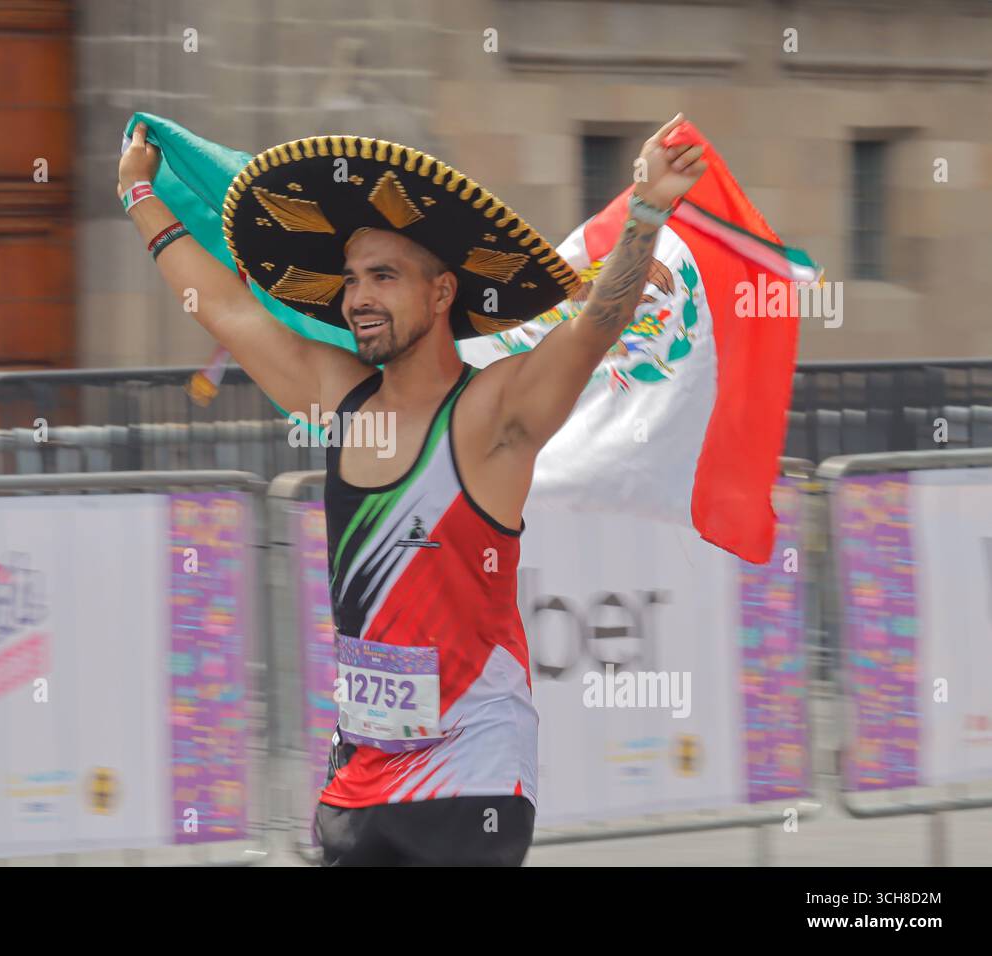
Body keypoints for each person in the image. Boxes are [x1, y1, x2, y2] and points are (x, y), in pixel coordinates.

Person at [118, 116, 706, 865]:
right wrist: (138, 193)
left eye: (384, 276)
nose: (358, 297)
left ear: (441, 293)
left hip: (472, 776)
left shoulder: (492, 416)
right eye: (353, 279)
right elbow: (229, 312)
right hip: (358, 781)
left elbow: (593, 327)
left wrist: (648, 211)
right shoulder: (341, 403)